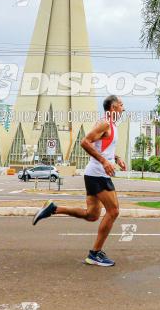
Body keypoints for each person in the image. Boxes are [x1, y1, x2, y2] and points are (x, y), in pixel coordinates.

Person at [31, 95, 126, 266]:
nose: (123, 108)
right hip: (98, 174)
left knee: (92, 215)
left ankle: (54, 208)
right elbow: (85, 142)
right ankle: (95, 254)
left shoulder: (112, 125)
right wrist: (104, 161)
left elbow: (102, 146)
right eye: (121, 105)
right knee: (113, 211)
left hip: (95, 174)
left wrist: (116, 158)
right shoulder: (104, 123)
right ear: (113, 108)